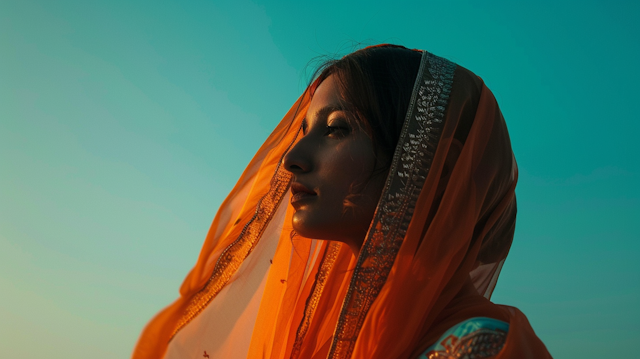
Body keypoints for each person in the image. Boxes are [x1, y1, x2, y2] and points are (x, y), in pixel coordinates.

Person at [132, 44, 552, 359]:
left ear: (435, 165)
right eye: (305, 129)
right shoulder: (334, 341)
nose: (291, 159)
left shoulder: (473, 347)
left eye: (336, 129)